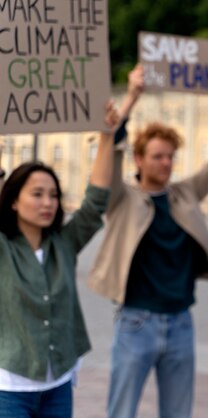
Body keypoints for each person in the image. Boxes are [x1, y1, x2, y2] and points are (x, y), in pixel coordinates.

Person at [87, 65, 208, 418]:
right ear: (139, 159)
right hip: (136, 322)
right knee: (122, 411)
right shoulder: (122, 197)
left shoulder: (184, 193)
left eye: (170, 156)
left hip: (181, 322)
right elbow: (110, 142)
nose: (165, 163)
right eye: (158, 156)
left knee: (179, 413)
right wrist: (132, 96)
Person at [0, 103, 118, 417]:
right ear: (13, 200)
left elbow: (94, 203)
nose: (48, 202)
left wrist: (106, 136)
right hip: (10, 390)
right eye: (37, 194)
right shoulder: (3, 247)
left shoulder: (62, 244)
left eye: (53, 194)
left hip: (58, 387)